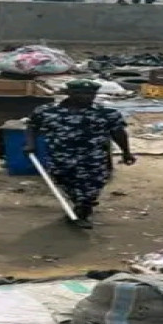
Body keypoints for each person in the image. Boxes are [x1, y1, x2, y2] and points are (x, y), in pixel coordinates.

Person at [24, 79, 135, 229]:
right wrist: (30, 144)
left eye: (90, 93)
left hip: (93, 158)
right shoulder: (46, 111)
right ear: (69, 93)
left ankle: (83, 211)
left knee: (92, 186)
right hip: (60, 158)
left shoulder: (106, 113)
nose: (86, 97)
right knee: (65, 183)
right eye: (80, 93)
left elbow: (118, 133)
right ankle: (78, 203)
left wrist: (126, 152)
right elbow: (32, 127)